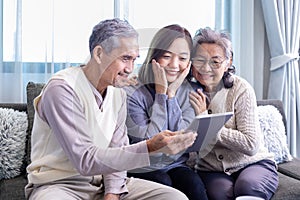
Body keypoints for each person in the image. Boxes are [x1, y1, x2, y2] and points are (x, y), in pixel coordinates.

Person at [25, 18, 198, 200]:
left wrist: (113, 193)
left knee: (174, 197)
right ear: (99, 54)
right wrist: (150, 147)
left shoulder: (118, 94)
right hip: (59, 186)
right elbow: (85, 160)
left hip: (101, 184)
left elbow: (118, 149)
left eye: (134, 60)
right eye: (125, 58)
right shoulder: (62, 89)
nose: (130, 69)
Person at [188, 27, 279, 200]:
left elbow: (251, 144)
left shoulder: (241, 89)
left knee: (248, 187)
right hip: (211, 169)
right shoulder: (186, 92)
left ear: (228, 62)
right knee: (221, 194)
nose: (206, 68)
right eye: (200, 60)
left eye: (215, 61)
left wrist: (207, 122)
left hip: (253, 163)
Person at [124, 24, 208, 200]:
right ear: (154, 58)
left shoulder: (193, 92)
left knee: (194, 186)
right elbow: (151, 142)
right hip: (143, 166)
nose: (174, 65)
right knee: (163, 182)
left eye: (182, 58)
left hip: (176, 164)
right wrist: (162, 94)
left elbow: (181, 141)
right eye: (167, 56)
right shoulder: (132, 92)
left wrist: (172, 95)